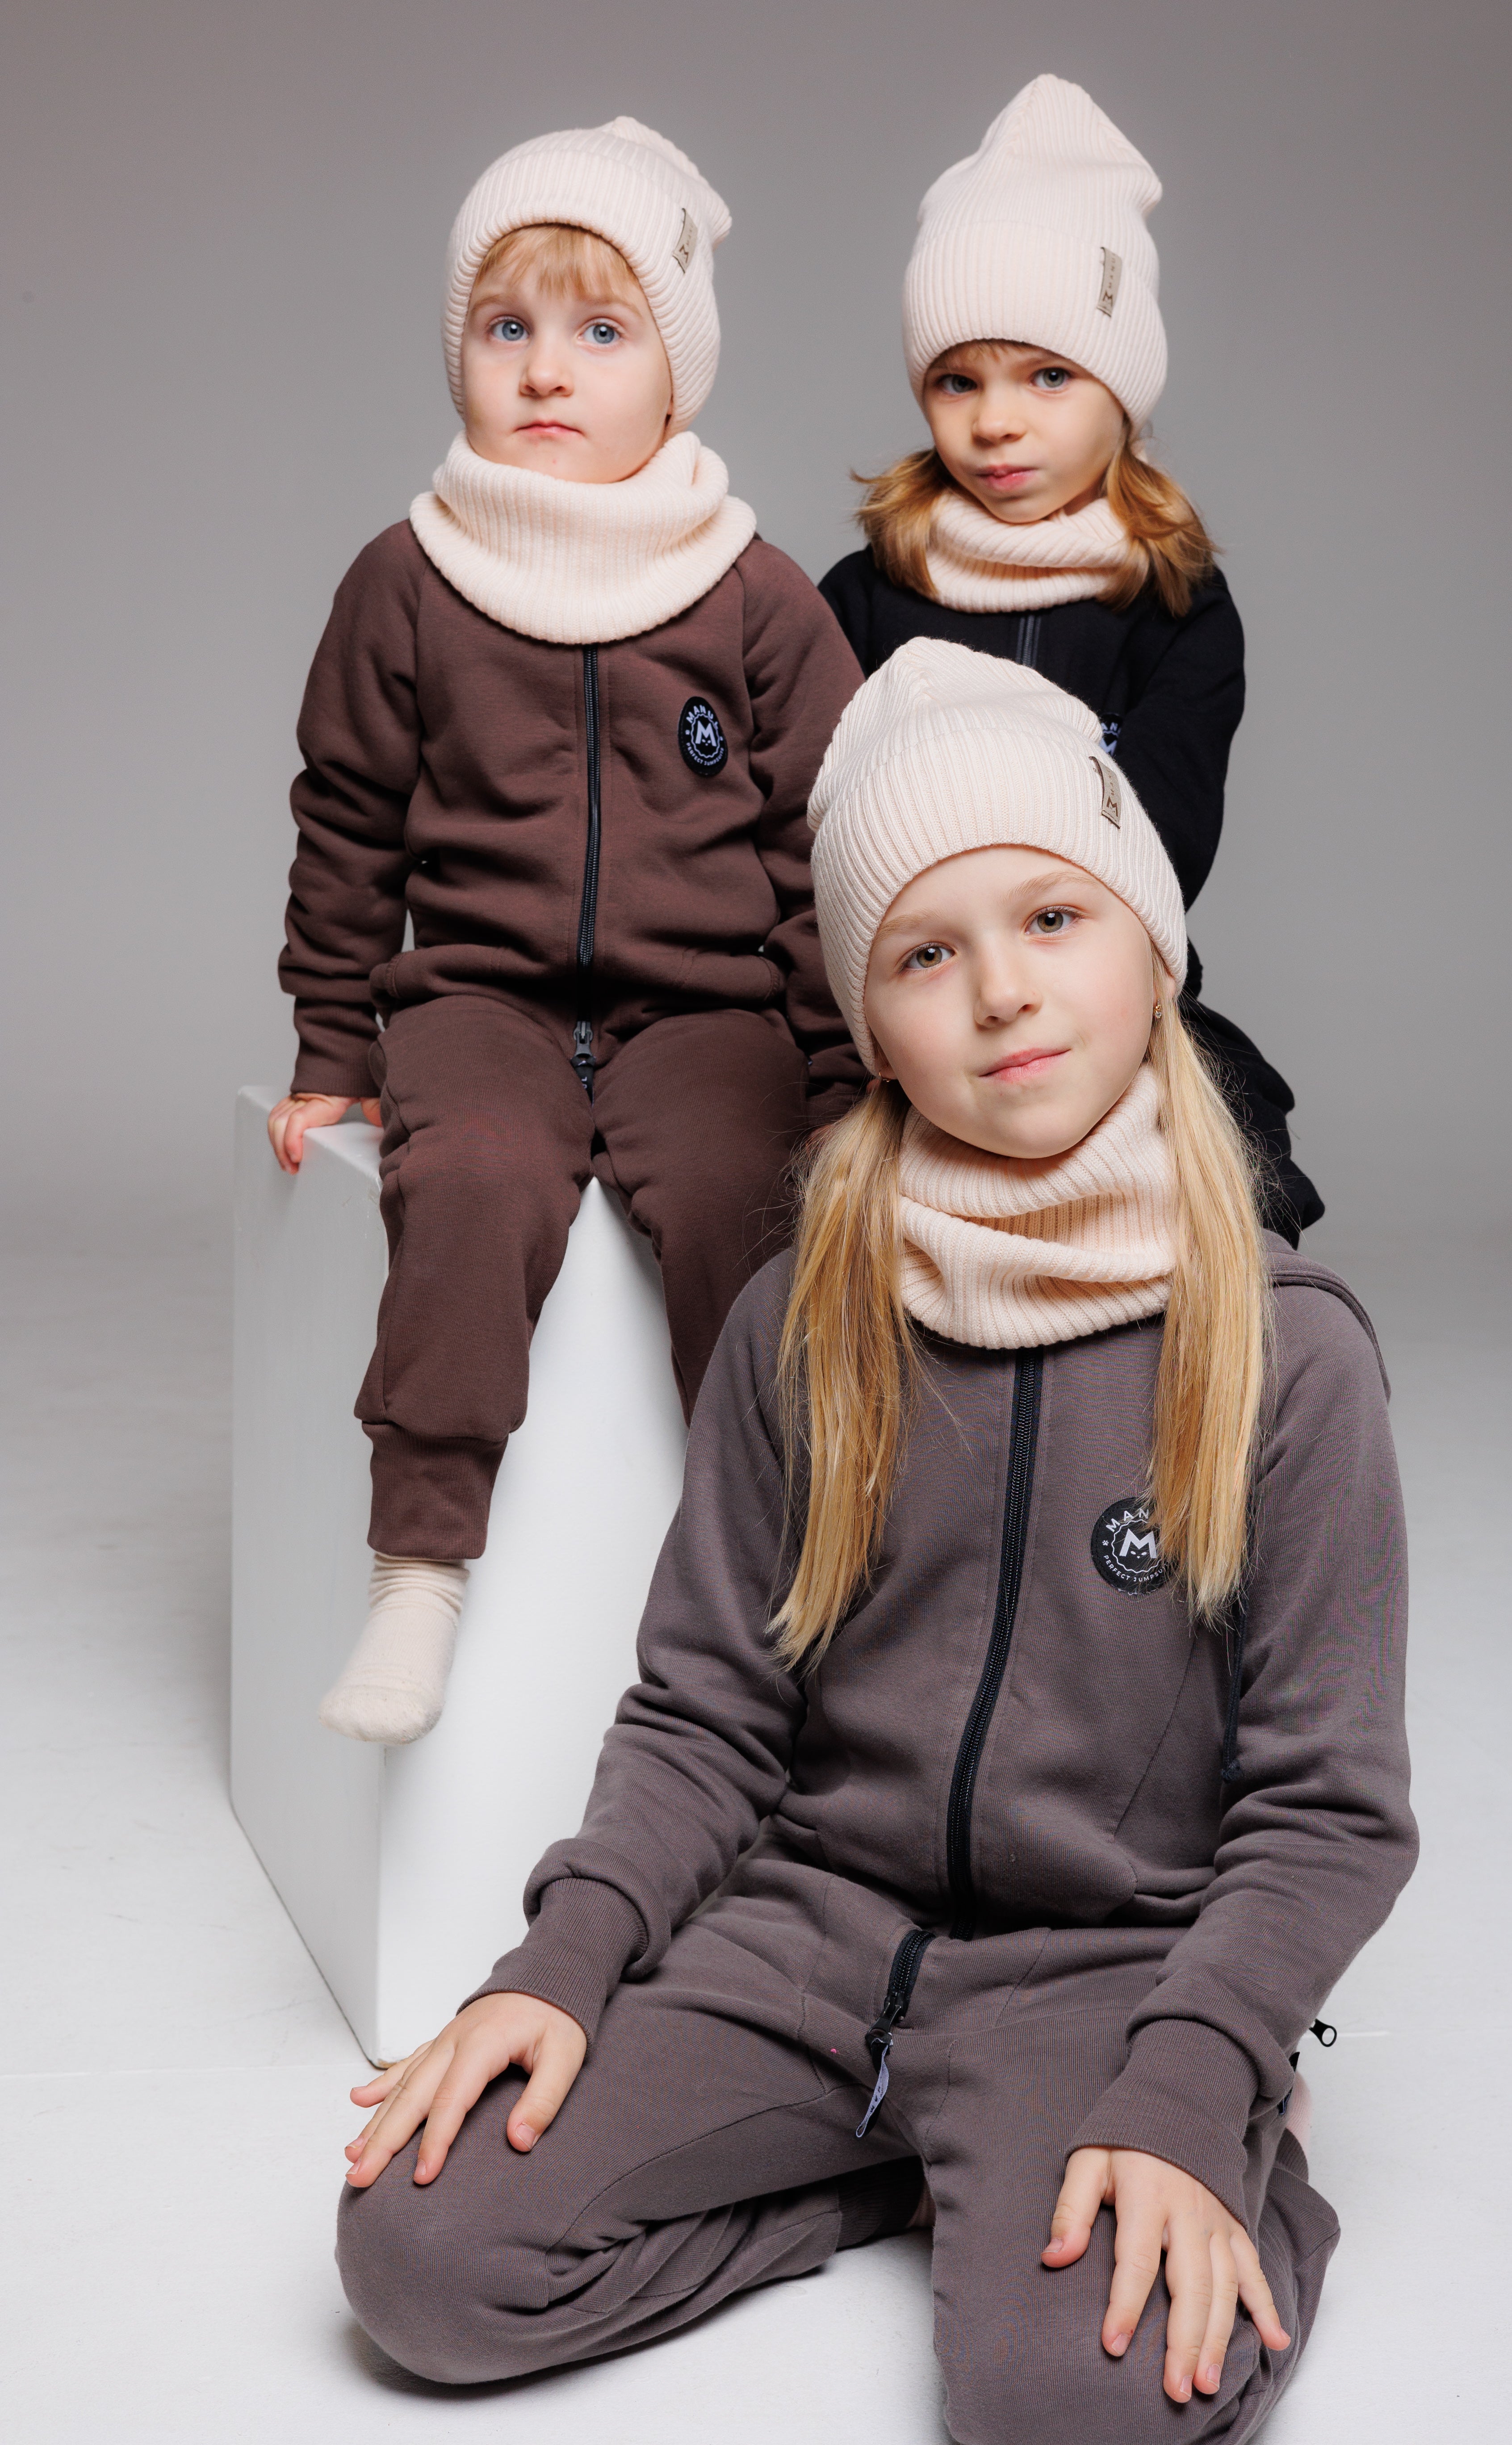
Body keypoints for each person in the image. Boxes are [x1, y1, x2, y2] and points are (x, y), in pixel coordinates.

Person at [332, 641, 1416, 2441]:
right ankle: (891, 2182)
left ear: (1155, 948)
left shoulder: (1291, 1353)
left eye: (1055, 916)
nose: (1003, 992)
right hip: (808, 1940)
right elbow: (706, 1712)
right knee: (420, 2257)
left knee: (1066, 2404)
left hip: (1112, 1977)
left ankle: (1241, 2168)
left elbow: (1330, 1810)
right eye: (925, 954)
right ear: (868, 1018)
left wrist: (1192, 2080)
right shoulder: (800, 1319)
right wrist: (565, 1963)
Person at [266, 119, 863, 1744]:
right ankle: (418, 1571)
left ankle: (786, 1591)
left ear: (678, 381)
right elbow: (348, 823)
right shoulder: (407, 579)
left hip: (709, 1011)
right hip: (483, 1001)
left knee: (748, 1204)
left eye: (603, 331)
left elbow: (823, 851)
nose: (546, 369)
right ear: (456, 353)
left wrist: (836, 1083)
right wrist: (331, 1048)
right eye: (504, 325)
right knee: (468, 1179)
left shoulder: (753, 592)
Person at [821, 75, 1322, 1244]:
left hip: (1105, 988)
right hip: (923, 990)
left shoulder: (1175, 605)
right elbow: (819, 816)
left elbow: (1162, 846)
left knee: (1242, 1144)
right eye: (958, 380)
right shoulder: (865, 595)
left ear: (1123, 394)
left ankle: (1232, 1338)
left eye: (1048, 375)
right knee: (803, 1153)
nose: (997, 422)